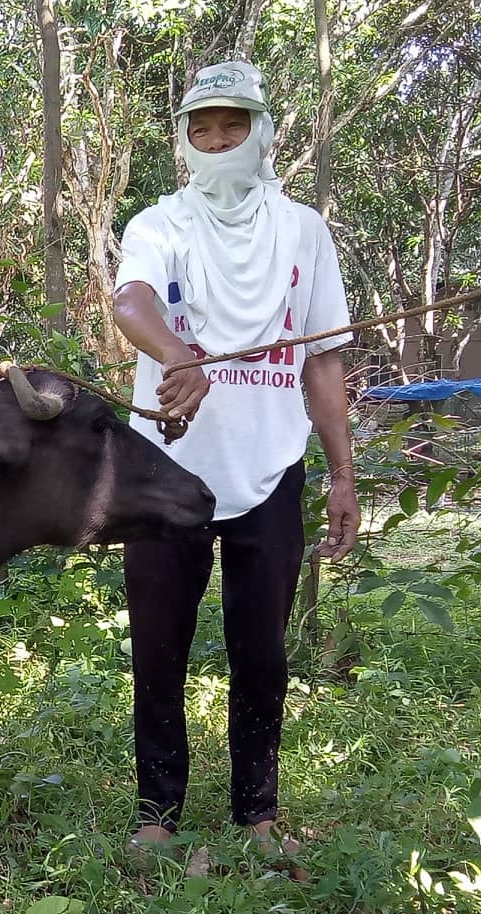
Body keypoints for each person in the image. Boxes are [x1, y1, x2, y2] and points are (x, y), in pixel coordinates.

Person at [111, 60, 359, 853]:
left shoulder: (304, 232)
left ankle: (256, 813)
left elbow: (321, 363)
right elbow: (130, 300)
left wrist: (343, 475)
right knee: (157, 650)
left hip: (272, 469)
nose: (217, 141)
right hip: (165, 471)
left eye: (232, 125)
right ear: (183, 141)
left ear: (263, 131)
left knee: (262, 651)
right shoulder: (159, 224)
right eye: (200, 128)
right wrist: (179, 355)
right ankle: (158, 813)